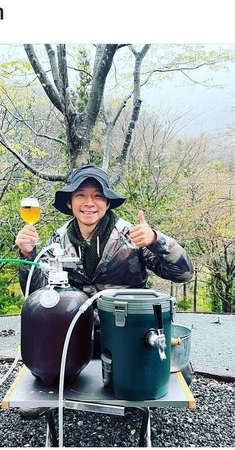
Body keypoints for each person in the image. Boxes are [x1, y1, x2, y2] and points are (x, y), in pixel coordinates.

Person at [14, 163, 194, 418]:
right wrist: (27, 255)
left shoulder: (133, 235)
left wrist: (156, 240)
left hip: (128, 332)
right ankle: (49, 388)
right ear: (70, 203)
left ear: (107, 203)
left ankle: (140, 387)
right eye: (81, 195)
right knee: (47, 331)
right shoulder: (57, 241)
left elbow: (183, 274)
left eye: (97, 196)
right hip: (76, 334)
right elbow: (38, 295)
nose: (89, 203)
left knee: (173, 377)